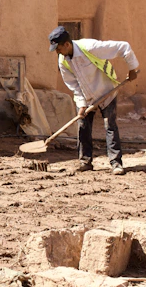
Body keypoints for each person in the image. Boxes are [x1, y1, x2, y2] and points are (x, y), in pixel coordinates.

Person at [48, 26, 140, 175]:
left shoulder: (90, 47)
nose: (57, 52)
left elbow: (124, 46)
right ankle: (85, 161)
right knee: (82, 125)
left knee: (109, 125)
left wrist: (132, 69)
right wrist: (82, 104)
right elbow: (73, 85)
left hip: (106, 91)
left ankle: (116, 163)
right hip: (88, 97)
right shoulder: (63, 61)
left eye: (58, 48)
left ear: (67, 44)